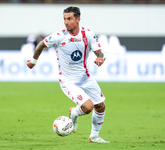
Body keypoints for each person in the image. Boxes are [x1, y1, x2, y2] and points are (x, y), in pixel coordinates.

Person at [26, 6, 109, 143]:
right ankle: (75, 112)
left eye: (69, 19)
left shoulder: (87, 34)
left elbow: (99, 51)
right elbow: (41, 44)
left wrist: (101, 58)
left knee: (100, 105)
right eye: (64, 19)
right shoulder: (59, 36)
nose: (66, 22)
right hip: (68, 81)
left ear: (78, 19)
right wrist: (34, 61)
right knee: (88, 107)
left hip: (85, 77)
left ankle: (94, 136)